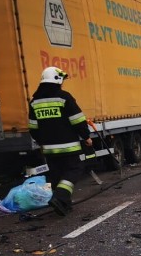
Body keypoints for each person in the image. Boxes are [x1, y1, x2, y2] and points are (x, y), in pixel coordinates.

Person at [28, 66, 93, 216]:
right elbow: (78, 120)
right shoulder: (64, 97)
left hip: (49, 149)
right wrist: (86, 137)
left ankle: (64, 205)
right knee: (73, 170)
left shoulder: (34, 102)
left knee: (56, 175)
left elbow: (33, 127)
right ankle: (60, 197)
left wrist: (42, 141)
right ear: (57, 80)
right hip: (69, 147)